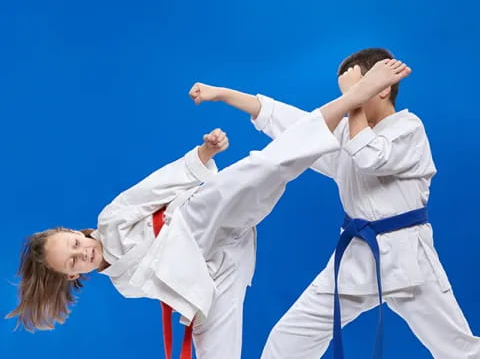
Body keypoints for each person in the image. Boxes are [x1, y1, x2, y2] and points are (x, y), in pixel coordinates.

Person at [8, 58, 410, 359]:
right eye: (74, 262)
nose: (82, 252)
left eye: (73, 243)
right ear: (73, 277)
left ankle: (352, 99)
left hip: (197, 221)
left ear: (73, 231)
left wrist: (204, 152)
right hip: (215, 272)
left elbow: (156, 186)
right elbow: (180, 285)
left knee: (267, 165)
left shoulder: (110, 221)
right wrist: (194, 315)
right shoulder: (123, 285)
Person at [191, 48, 480, 358]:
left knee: (459, 350)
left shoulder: (409, 129)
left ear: (382, 89)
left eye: (358, 90)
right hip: (355, 259)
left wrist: (354, 98)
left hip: (408, 259)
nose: (350, 100)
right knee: (286, 342)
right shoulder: (345, 133)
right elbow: (293, 125)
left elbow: (368, 155)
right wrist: (222, 94)